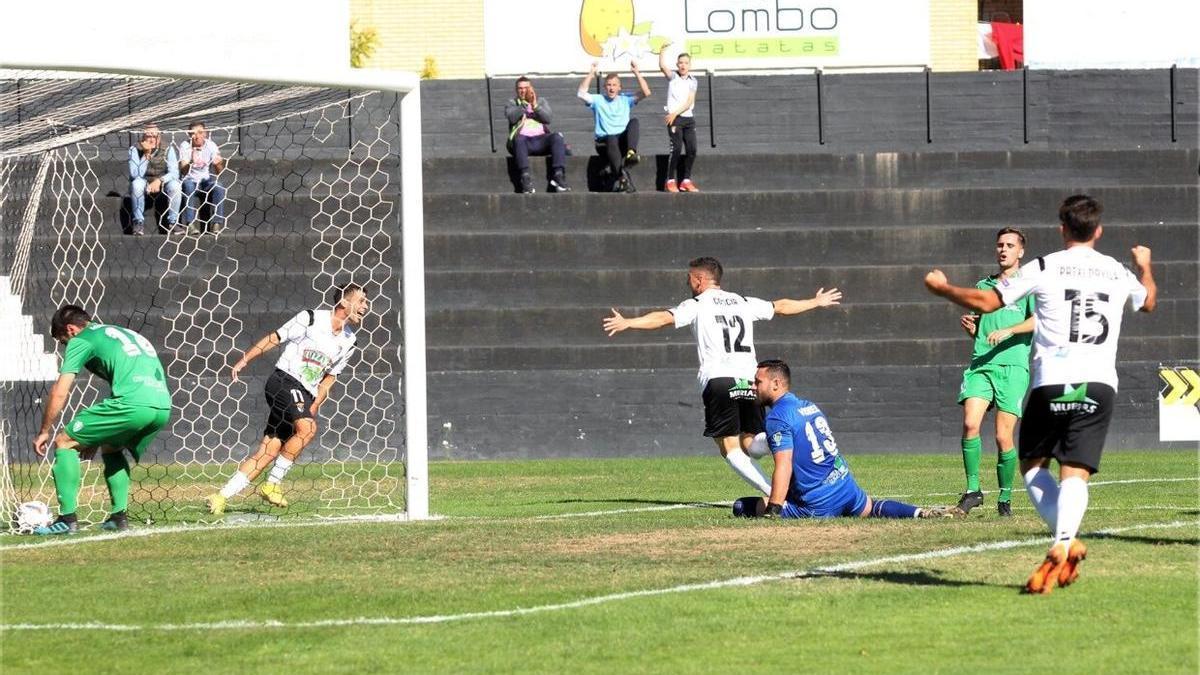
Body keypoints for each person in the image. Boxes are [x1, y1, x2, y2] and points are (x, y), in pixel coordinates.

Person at [924, 194, 1157, 594]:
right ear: (1098, 231)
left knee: (1033, 466)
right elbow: (1148, 302)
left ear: (1062, 229)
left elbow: (987, 300)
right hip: (1099, 383)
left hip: (1052, 381)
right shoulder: (1117, 272)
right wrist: (1145, 266)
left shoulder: (1045, 266)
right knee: (1075, 472)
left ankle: (1064, 542)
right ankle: (1065, 543)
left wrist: (943, 288)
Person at [602, 256, 842, 495]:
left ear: (699, 279)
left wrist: (629, 322)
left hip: (719, 379)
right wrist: (816, 301)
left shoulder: (697, 304)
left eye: (689, 278)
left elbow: (664, 318)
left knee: (729, 447)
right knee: (751, 442)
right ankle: (780, 439)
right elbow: (780, 306)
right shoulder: (742, 301)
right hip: (750, 380)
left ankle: (774, 494)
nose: (689, 283)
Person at [207, 283, 368, 516]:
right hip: (284, 381)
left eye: (366, 302)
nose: (365, 306)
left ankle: (220, 497)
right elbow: (275, 338)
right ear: (344, 302)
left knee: (268, 450)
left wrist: (312, 407)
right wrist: (245, 359)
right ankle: (272, 483)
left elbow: (328, 380)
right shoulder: (311, 318)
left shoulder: (350, 341)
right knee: (308, 429)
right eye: (361, 301)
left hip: (304, 394)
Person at [733, 359, 952, 519]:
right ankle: (919, 512)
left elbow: (784, 465)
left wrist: (775, 509)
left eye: (757, 382)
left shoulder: (778, 416)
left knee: (741, 507)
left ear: (776, 383)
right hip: (845, 488)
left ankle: (788, 507)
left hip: (817, 504)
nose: (753, 387)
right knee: (871, 507)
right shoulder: (809, 405)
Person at [32, 305, 173, 534]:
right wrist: (98, 436)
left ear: (71, 329)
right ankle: (119, 516)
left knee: (64, 442)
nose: (66, 347)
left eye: (63, 341)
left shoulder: (82, 339)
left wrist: (44, 431)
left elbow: (60, 390)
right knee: (111, 446)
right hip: (161, 405)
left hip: (132, 404)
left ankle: (66, 520)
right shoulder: (122, 333)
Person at [952, 227, 1035, 517]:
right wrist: (974, 331)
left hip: (1013, 367)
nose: (1003, 249)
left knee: (1002, 437)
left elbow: (1039, 321)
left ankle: (1005, 499)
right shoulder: (983, 285)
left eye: (1010, 245)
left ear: (1020, 251)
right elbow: (984, 330)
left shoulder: (1028, 285)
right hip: (981, 363)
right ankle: (973, 490)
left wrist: (1008, 330)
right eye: (1000, 245)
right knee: (970, 424)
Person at [578, 61, 650, 193]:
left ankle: (631, 153)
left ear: (619, 88)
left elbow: (646, 92)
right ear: (605, 87)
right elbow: (581, 93)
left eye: (614, 85)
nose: (611, 88)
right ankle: (621, 176)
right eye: (609, 85)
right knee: (611, 138)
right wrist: (591, 73)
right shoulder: (598, 100)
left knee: (634, 122)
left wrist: (637, 73)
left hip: (622, 141)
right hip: (604, 143)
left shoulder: (625, 99)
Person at [505, 76, 570, 194]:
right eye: (520, 88)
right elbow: (512, 117)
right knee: (519, 139)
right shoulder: (512, 103)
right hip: (523, 142)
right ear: (516, 90)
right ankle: (525, 178)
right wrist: (525, 104)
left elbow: (548, 119)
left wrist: (535, 105)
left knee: (557, 137)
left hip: (541, 140)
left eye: (526, 88)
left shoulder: (541, 101)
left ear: (531, 88)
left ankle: (559, 176)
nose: (523, 91)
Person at [658, 44, 699, 193]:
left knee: (692, 149)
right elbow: (662, 66)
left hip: (687, 119)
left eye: (686, 63)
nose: (683, 65)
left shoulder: (693, 81)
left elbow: (689, 102)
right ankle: (669, 181)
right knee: (675, 149)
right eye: (680, 63)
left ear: (690, 65)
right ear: (677, 64)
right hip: (674, 120)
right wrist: (662, 51)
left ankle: (686, 181)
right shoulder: (673, 77)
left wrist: (675, 113)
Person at [127, 123, 181, 236]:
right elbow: (134, 174)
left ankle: (173, 222)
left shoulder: (168, 148)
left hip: (162, 180)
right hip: (144, 180)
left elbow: (174, 172)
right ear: (143, 137)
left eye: (154, 136)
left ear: (159, 137)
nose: (152, 139)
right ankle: (138, 222)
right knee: (137, 185)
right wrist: (146, 155)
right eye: (148, 136)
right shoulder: (134, 149)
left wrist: (160, 180)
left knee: (175, 186)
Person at [177, 120, 227, 234]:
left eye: (200, 133)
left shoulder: (211, 145)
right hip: (190, 180)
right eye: (193, 134)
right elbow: (183, 171)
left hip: (205, 182)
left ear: (205, 134)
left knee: (219, 187)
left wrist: (218, 164)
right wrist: (191, 161)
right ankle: (190, 224)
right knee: (188, 185)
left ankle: (216, 224)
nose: (197, 136)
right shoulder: (185, 145)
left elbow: (219, 171)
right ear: (189, 135)